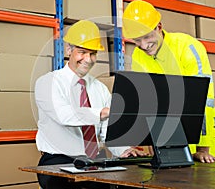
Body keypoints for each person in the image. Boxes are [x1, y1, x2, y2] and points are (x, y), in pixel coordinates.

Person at [34, 20, 147, 189]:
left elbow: (107, 130)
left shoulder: (99, 88)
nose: (88, 59)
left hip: (93, 161)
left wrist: (123, 150)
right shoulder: (48, 82)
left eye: (92, 53)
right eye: (82, 52)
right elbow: (64, 115)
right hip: (58, 160)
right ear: (69, 50)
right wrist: (102, 112)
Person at [122, 0, 215, 163]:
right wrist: (134, 143)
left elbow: (204, 100)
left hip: (201, 136)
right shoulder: (138, 56)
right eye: (137, 40)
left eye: (147, 37)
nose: (144, 45)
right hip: (165, 137)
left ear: (159, 27)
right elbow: (145, 101)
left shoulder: (187, 47)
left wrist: (203, 148)